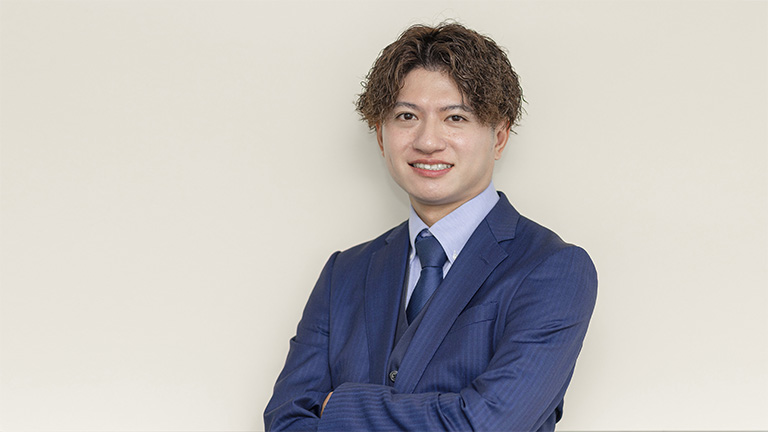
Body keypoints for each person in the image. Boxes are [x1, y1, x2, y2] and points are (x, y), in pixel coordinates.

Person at [264, 22, 597, 431]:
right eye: (407, 116)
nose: (427, 141)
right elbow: (285, 421)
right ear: (381, 136)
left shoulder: (554, 269)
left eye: (455, 117)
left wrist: (339, 407)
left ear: (499, 136)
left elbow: (484, 425)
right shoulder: (343, 273)